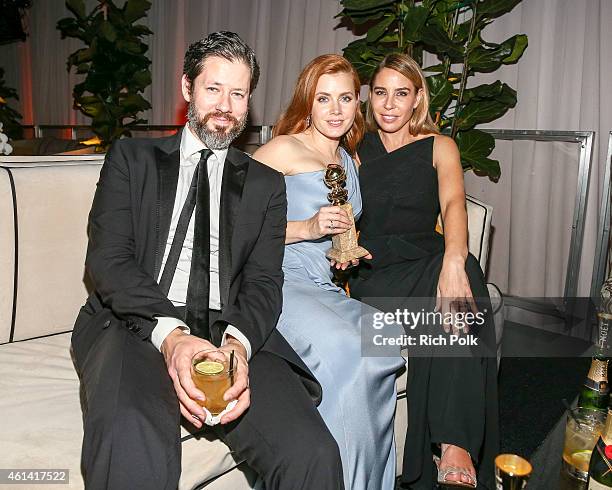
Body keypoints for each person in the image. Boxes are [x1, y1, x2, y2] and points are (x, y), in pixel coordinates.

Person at [71, 31, 345, 490]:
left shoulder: (265, 185)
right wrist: (173, 337)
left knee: (312, 454)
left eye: (237, 93)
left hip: (228, 328)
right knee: (131, 438)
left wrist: (238, 345)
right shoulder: (131, 159)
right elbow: (108, 259)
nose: (225, 104)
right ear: (187, 89)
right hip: (135, 320)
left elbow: (262, 282)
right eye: (213, 88)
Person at [253, 54, 405, 490]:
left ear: (357, 104)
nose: (336, 110)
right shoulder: (282, 149)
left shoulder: (349, 160)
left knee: (383, 337)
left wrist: (345, 254)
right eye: (324, 99)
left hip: (322, 285)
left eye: (345, 98)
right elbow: (234, 227)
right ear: (308, 101)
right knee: (352, 346)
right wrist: (307, 227)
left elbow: (340, 235)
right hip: (276, 282)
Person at [348, 53, 499, 489]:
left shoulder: (440, 146)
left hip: (426, 258)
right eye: (380, 93)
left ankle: (454, 446)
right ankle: (451, 448)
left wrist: (453, 259)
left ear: (418, 99)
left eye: (401, 94)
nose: (390, 105)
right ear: (369, 99)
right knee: (458, 291)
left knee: (464, 272)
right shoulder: (354, 151)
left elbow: (453, 203)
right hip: (374, 270)